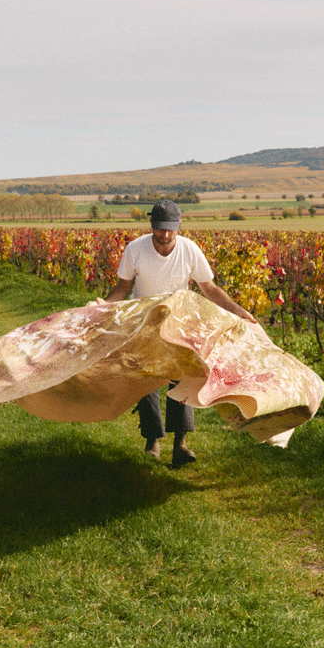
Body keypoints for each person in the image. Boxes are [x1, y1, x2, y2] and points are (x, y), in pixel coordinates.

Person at [104, 200, 257, 467]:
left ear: (179, 226)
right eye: (160, 229)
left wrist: (238, 311)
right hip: (145, 322)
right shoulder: (135, 250)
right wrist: (103, 308)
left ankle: (180, 444)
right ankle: (152, 440)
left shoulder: (189, 250)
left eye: (170, 230)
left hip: (180, 321)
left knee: (183, 380)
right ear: (152, 225)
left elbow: (209, 289)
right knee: (146, 380)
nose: (165, 235)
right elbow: (123, 287)